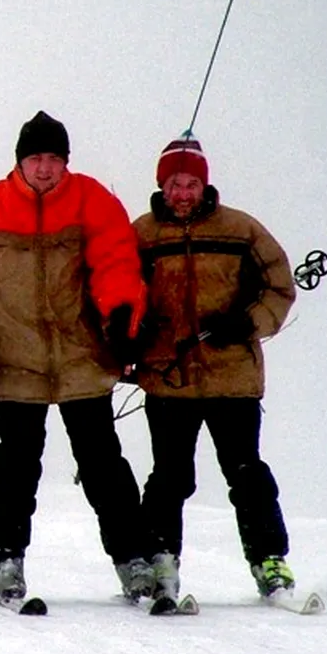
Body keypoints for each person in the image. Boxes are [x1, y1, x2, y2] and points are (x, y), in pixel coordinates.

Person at [0, 110, 153, 602]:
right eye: (35, 158)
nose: (44, 168)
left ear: (66, 163)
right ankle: (6, 560)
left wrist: (122, 319)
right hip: (14, 360)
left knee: (102, 463)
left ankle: (133, 559)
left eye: (54, 158)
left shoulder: (92, 200)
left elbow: (116, 262)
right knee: (16, 465)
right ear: (20, 161)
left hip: (81, 356)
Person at [131, 132, 299, 601]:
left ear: (204, 185)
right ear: (161, 186)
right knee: (169, 476)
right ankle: (161, 560)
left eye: (190, 184)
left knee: (246, 473)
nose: (182, 193)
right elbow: (116, 291)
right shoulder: (141, 234)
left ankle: (270, 560)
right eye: (173, 184)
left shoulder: (242, 229)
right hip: (169, 378)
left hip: (234, 379)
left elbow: (280, 288)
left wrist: (246, 325)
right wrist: (131, 333)